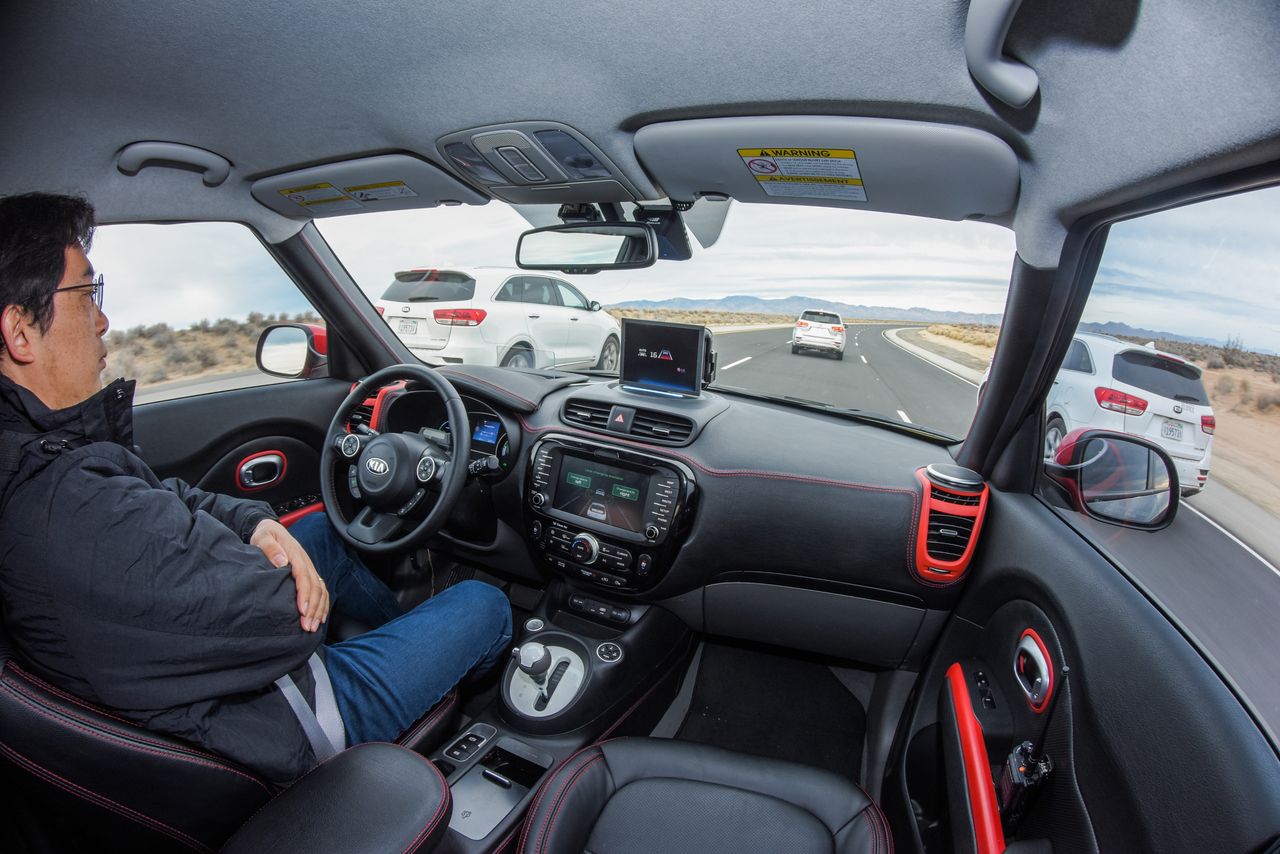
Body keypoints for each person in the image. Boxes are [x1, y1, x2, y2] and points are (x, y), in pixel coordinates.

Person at [0, 192, 512, 788]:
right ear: (20, 331)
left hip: (216, 679)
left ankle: (405, 636)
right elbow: (287, 620)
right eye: (87, 292)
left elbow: (169, 493)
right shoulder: (73, 510)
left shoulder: (49, 456)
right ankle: (459, 704)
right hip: (283, 720)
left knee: (318, 531)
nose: (102, 319)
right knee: (486, 604)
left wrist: (257, 525)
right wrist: (276, 574)